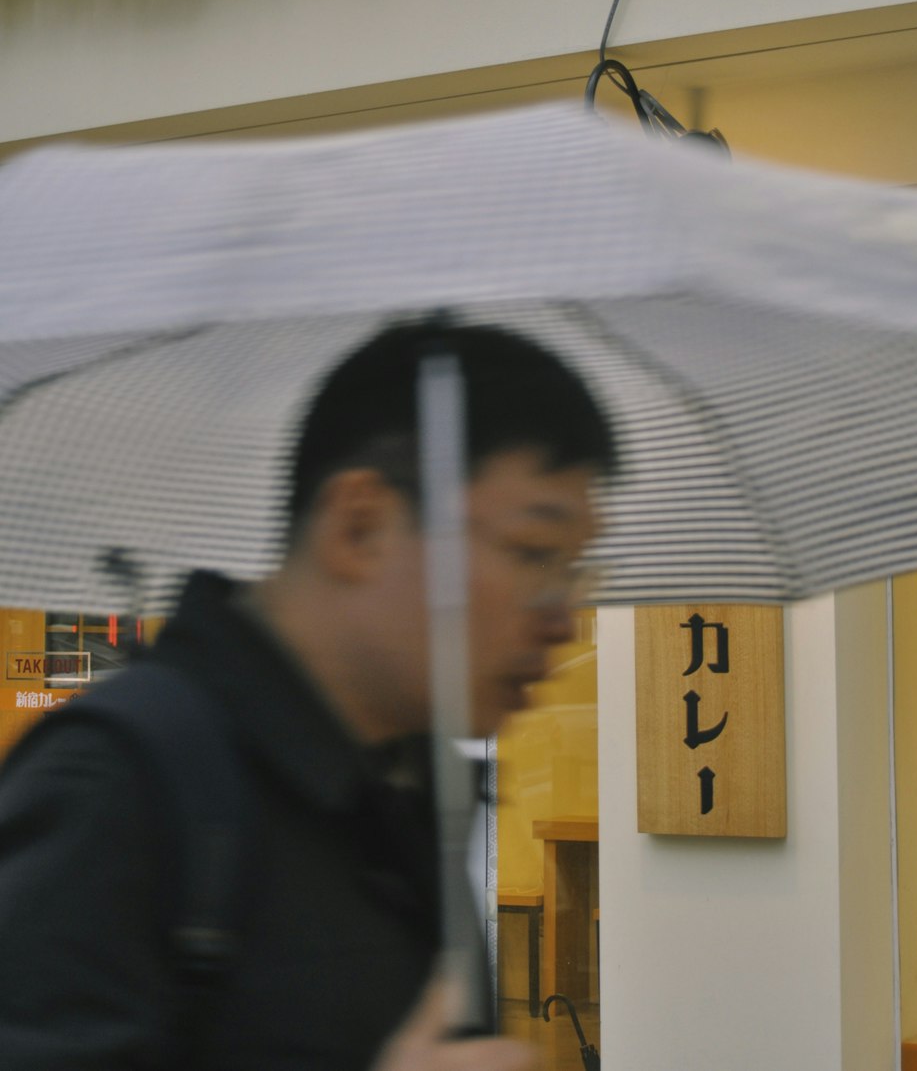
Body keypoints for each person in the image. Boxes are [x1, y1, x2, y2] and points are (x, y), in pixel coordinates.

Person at [0, 318, 616, 1071]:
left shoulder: (401, 793)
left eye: (576, 570)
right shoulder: (122, 779)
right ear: (360, 526)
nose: (561, 618)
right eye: (532, 554)